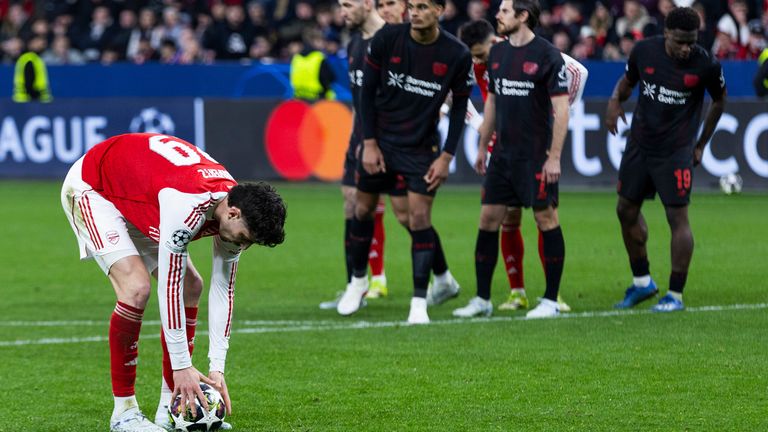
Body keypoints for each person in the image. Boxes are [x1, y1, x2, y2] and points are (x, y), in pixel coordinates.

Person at [61, 133, 286, 432]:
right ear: (233, 213)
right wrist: (182, 365)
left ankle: (173, 407)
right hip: (96, 187)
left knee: (193, 286)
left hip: (142, 195)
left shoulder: (234, 210)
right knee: (136, 288)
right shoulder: (186, 205)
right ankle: (124, 412)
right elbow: (169, 285)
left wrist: (216, 368)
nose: (243, 248)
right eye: (245, 239)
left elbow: (223, 287)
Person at [335, 0, 473, 324]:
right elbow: (366, 93)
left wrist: (447, 157)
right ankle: (357, 281)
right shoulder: (387, 39)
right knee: (362, 208)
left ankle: (419, 304)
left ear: (440, 10)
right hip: (380, 143)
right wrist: (368, 144)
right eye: (412, 5)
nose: (415, 11)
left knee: (418, 217)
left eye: (423, 6)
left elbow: (459, 108)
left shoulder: (456, 54)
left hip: (421, 150)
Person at [453, 18, 587, 316]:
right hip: (503, 146)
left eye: (479, 54)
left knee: (544, 215)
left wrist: (560, 109)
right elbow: (480, 100)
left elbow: (578, 71)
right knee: (503, 218)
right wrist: (480, 130)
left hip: (535, 146)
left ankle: (554, 296)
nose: (477, 60)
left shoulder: (529, 51)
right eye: (473, 56)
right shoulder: (482, 62)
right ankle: (517, 292)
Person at [606, 7, 726, 312]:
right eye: (680, 42)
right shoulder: (644, 51)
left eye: (692, 41)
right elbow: (628, 81)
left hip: (675, 151)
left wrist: (699, 145)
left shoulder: (707, 64)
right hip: (640, 144)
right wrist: (614, 102)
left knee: (677, 218)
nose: (687, 48)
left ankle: (675, 294)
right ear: (666, 34)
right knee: (625, 210)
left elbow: (719, 100)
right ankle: (643, 283)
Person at [290, 27, 337, 101]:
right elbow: (330, 78)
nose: (324, 44)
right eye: (321, 41)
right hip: (317, 99)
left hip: (299, 99)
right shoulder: (318, 57)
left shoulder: (296, 58)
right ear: (314, 41)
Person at [13, 35, 52, 103]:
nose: (41, 45)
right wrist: (36, 96)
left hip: (25, 99)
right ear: (30, 43)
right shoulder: (30, 59)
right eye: (37, 42)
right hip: (29, 100)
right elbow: (28, 81)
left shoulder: (31, 58)